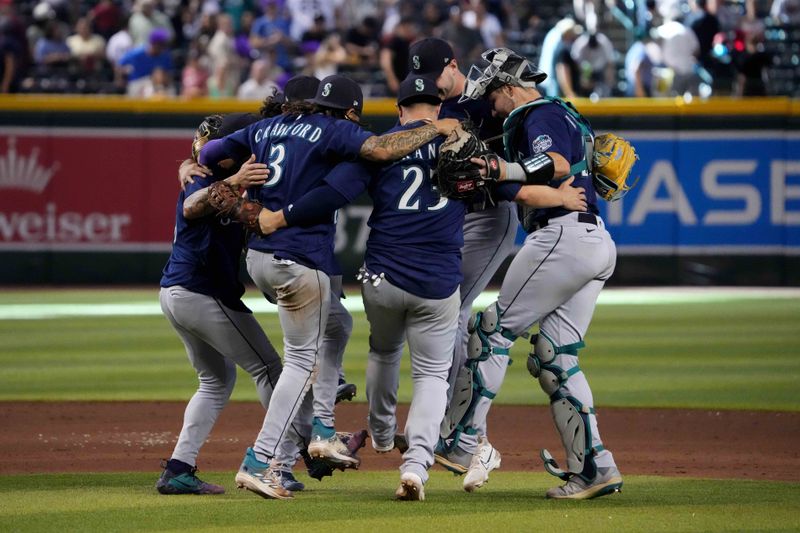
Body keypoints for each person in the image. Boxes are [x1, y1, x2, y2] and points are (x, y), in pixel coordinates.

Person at [254, 74, 586, 500]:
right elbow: (516, 191)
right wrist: (561, 198)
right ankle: (415, 468)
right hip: (439, 280)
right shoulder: (464, 147)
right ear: (439, 107)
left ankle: (380, 432)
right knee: (431, 376)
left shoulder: (381, 148)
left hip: (383, 276)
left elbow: (334, 191)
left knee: (384, 350)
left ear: (399, 109)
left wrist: (280, 215)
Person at [199, 74, 459, 499]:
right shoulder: (338, 131)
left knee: (336, 327)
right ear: (352, 113)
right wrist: (435, 127)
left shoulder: (265, 127)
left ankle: (311, 437)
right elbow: (370, 154)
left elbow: (209, 151)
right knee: (302, 362)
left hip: (259, 258)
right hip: (299, 259)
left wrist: (227, 178)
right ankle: (265, 459)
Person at [460, 47, 623, 500]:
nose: (491, 105)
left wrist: (498, 168)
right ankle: (595, 468)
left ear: (510, 88)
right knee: (556, 357)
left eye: (492, 95)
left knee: (490, 332)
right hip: (592, 241)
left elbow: (556, 165)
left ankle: (461, 442)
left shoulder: (538, 113)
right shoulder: (562, 114)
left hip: (561, 237)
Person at [406, 37, 516, 492]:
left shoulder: (482, 100)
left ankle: (458, 432)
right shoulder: (440, 107)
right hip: (459, 219)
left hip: (491, 217)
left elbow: (510, 113)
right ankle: (473, 438)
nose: (433, 87)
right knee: (453, 319)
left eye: (437, 76)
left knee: (448, 312)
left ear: (454, 65)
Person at [156, 112, 283, 495]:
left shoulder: (202, 170)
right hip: (201, 291)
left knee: (216, 380)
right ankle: (287, 457)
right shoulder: (204, 177)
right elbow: (192, 206)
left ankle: (178, 468)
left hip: (178, 291)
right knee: (270, 369)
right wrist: (232, 181)